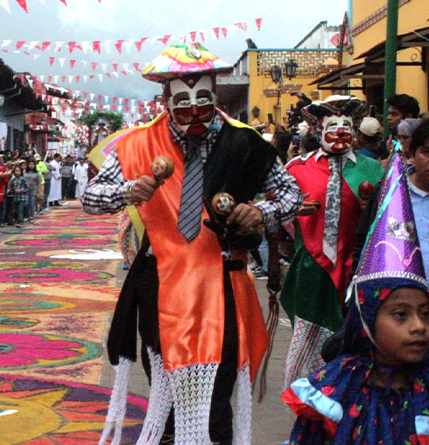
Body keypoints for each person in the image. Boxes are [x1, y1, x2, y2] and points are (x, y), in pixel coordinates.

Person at [84, 43, 302, 444]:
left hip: (222, 282)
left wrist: (263, 212)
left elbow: (292, 196)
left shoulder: (245, 142)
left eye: (204, 100)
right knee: (167, 387)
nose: (195, 111)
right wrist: (131, 190)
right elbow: (91, 199)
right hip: (162, 283)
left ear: (216, 94)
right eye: (183, 103)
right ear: (165, 100)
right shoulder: (135, 145)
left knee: (215, 396)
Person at [283, 148, 429, 444]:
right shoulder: (336, 388)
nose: (419, 326)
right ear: (367, 320)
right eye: (401, 315)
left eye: (425, 313)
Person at [280, 96, 384, 388]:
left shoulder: (374, 170)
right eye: (332, 124)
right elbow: (273, 212)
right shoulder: (297, 169)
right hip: (312, 271)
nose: (340, 131)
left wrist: (370, 208)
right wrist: (294, 216)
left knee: (356, 344)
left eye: (346, 125)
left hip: (359, 270)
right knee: (306, 344)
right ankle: (305, 404)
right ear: (317, 130)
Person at [357, 118, 429, 364]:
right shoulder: (388, 195)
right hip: (393, 331)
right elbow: (363, 249)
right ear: (413, 152)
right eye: (427, 151)